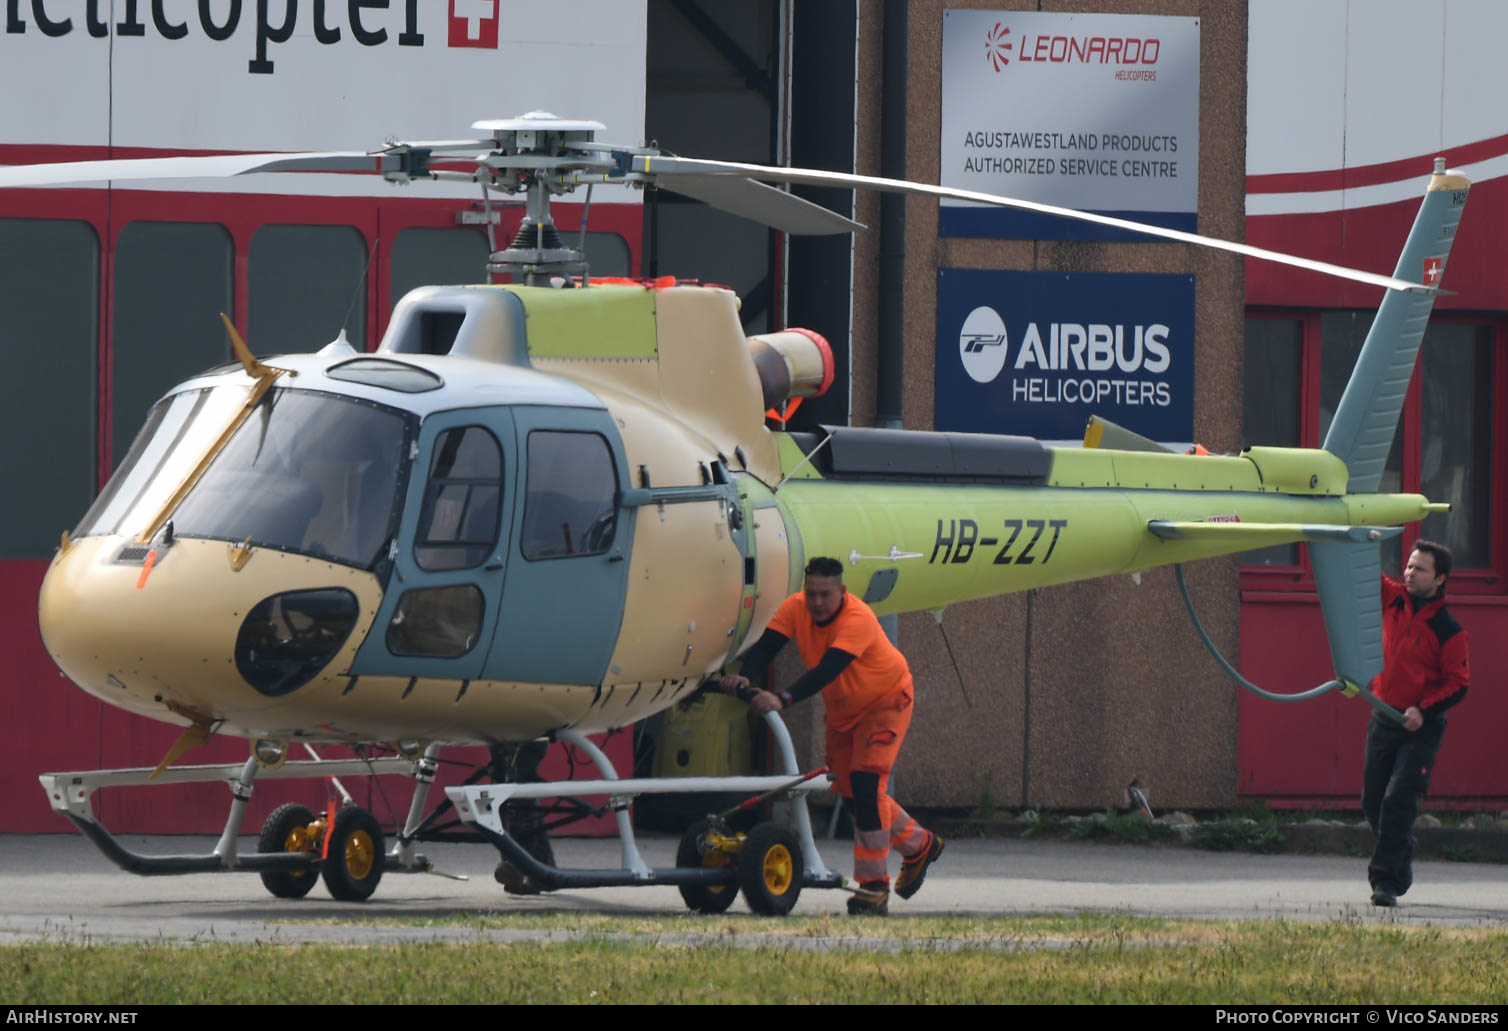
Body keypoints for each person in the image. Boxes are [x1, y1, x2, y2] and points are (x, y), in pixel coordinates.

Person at [719, 556, 943, 915]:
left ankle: (873, 888)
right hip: (844, 711)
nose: (817, 602)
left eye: (825, 594)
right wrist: (746, 676)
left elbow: (828, 669)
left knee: (867, 786)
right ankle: (920, 845)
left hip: (886, 702)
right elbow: (766, 646)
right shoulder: (796, 608)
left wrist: (782, 698)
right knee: (851, 793)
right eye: (811, 594)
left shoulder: (858, 618)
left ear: (842, 591)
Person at [1361, 540, 1469, 907]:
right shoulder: (1391, 597)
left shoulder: (1449, 628)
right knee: (1372, 802)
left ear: (1439, 579)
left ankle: (1385, 883)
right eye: (1408, 565)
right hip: (1383, 717)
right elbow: (1360, 571)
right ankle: (1401, 849)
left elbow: (1458, 683)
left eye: (1419, 569)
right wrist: (1357, 535)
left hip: (1419, 727)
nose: (1409, 573)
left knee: (1397, 802)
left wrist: (1422, 709)